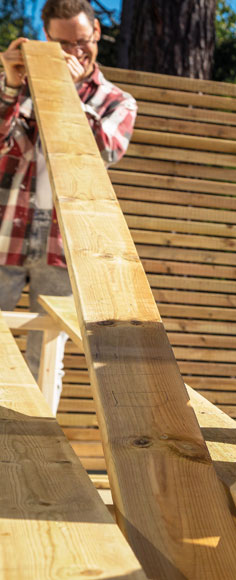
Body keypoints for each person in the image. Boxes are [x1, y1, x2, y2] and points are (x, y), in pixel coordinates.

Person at [0, 0, 137, 411]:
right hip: (5, 236)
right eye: (62, 43)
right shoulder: (16, 83)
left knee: (47, 359)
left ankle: (41, 459)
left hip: (64, 247)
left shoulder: (117, 101)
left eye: (81, 41)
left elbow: (105, 152)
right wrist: (10, 83)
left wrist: (69, 94)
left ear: (96, 32)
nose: (74, 52)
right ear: (46, 38)